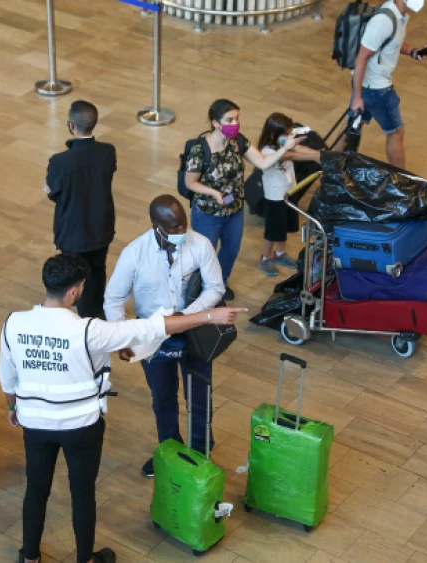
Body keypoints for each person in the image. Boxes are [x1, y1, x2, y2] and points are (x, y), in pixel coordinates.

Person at [0, 254, 246, 563]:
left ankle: (30, 558)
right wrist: (211, 317)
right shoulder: (90, 331)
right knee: (82, 493)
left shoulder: (14, 323)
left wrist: (13, 408)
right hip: (81, 426)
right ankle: (86, 560)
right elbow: (152, 327)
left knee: (36, 490)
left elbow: (7, 378)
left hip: (35, 423)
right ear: (74, 292)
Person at [104, 195, 226, 477]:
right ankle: (170, 451)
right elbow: (113, 299)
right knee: (163, 399)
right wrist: (124, 338)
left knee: (199, 396)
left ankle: (200, 451)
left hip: (195, 332)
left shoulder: (201, 244)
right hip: (153, 337)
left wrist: (185, 317)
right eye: (174, 228)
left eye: (184, 225)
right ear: (156, 226)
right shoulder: (134, 253)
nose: (182, 232)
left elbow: (215, 289)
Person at [185, 99, 304, 300]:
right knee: (206, 255)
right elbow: (190, 183)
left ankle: (220, 284)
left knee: (230, 251)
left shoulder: (239, 141)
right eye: (229, 120)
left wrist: (284, 149)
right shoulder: (200, 149)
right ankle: (200, 290)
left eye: (237, 118)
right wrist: (214, 193)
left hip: (235, 210)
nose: (235, 124)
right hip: (208, 213)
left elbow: (263, 162)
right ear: (215, 123)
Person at [44, 100, 117, 319]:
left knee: (75, 274)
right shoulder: (108, 152)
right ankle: (98, 309)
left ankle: (86, 319)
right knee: (98, 269)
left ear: (71, 125)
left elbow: (52, 192)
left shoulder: (59, 161)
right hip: (101, 228)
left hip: (73, 232)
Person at [338, 0, 427, 168]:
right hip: (377, 89)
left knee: (352, 128)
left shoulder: (398, 15)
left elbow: (391, 40)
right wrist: (357, 97)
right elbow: (361, 58)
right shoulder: (384, 20)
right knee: (396, 133)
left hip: (369, 86)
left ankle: (330, 166)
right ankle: (401, 181)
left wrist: (412, 52)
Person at [254, 112, 321, 277]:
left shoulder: (283, 144)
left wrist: (319, 153)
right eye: (286, 134)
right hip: (274, 197)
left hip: (289, 192)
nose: (289, 137)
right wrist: (314, 156)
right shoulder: (267, 151)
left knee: (283, 226)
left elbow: (297, 147)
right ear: (273, 134)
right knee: (273, 230)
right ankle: (266, 257)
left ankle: (280, 253)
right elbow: (289, 155)